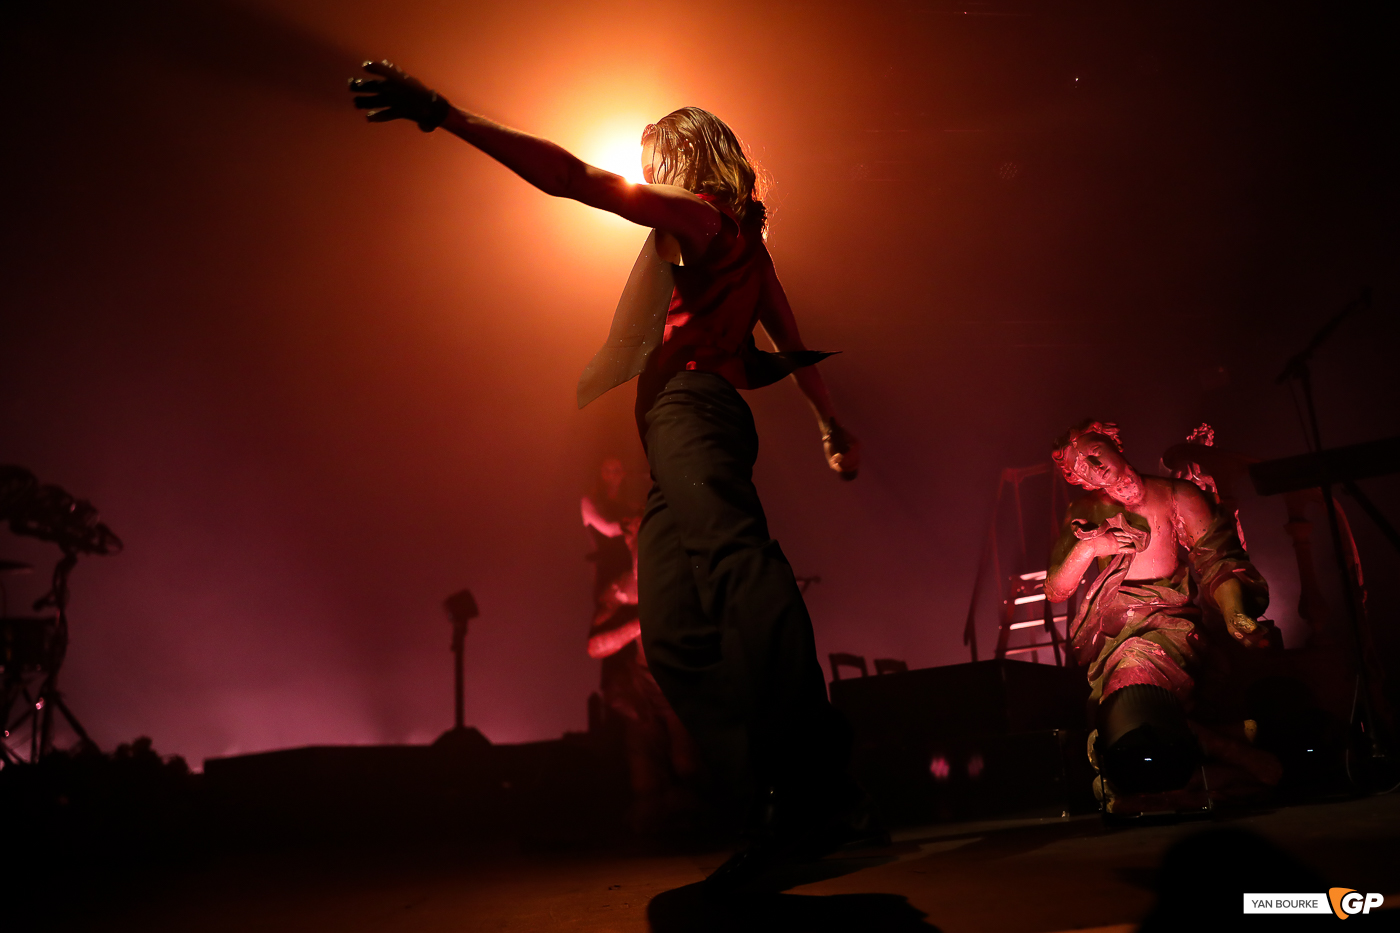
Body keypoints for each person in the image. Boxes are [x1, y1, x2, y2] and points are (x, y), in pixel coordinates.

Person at [350, 62, 879, 887]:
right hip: (680, 441)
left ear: (682, 160)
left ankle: (815, 783)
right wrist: (827, 423)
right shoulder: (745, 244)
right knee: (669, 634)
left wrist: (446, 115)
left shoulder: (701, 219)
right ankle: (778, 793)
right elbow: (790, 338)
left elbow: (575, 179)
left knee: (741, 570)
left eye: (654, 159)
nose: (646, 175)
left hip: (693, 416)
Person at [1045, 420, 1281, 810]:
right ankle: (1224, 752)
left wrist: (1236, 614)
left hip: (1170, 620)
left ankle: (1179, 771)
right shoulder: (1085, 510)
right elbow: (1056, 589)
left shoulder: (1176, 495)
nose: (1093, 466)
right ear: (1079, 480)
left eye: (1094, 452)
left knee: (1134, 683)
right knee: (1128, 689)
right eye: (1082, 467)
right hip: (1113, 628)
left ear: (1113, 442)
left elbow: (1219, 561)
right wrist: (1090, 548)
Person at [582, 457, 699, 834]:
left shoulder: (681, 573)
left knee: (687, 763)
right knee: (645, 781)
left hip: (676, 685)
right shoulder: (618, 588)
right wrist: (638, 624)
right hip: (640, 687)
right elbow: (596, 644)